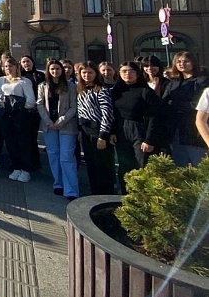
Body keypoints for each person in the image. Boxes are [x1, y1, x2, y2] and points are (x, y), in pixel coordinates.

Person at [112, 61, 169, 192]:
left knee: (141, 164)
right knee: (124, 165)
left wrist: (149, 139)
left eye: (131, 71)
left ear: (138, 74)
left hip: (140, 130)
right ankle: (126, 194)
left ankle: (143, 195)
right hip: (122, 129)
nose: (128, 74)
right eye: (124, 71)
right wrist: (112, 132)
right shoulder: (117, 91)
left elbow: (154, 117)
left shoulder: (145, 92)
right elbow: (114, 114)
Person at [37, 60, 79, 200]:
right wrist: (49, 122)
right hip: (49, 126)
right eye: (52, 69)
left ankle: (71, 190)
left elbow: (74, 106)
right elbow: (40, 105)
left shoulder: (70, 86)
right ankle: (58, 183)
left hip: (66, 126)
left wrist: (61, 121)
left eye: (57, 69)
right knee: (53, 155)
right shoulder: (43, 86)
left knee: (66, 157)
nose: (55, 71)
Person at [76, 61, 116, 195]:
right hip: (86, 132)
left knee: (103, 167)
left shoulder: (102, 90)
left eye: (90, 72)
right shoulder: (81, 90)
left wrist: (103, 136)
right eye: (84, 72)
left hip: (98, 132)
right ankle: (95, 194)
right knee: (91, 165)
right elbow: (81, 111)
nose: (87, 75)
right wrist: (80, 131)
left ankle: (106, 195)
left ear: (96, 73)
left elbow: (107, 114)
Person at [163, 51, 209, 166]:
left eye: (186, 61)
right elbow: (164, 103)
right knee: (179, 167)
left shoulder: (202, 81)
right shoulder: (173, 82)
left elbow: (197, 104)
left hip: (194, 129)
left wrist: (174, 104)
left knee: (199, 165)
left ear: (193, 63)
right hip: (175, 129)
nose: (182, 64)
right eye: (179, 61)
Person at [0, 57, 37, 183]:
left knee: (22, 142)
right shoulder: (2, 80)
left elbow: (31, 101)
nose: (8, 69)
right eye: (6, 66)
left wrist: (17, 104)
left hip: (20, 115)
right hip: (6, 114)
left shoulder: (24, 81)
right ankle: (16, 166)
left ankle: (25, 169)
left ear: (17, 67)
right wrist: (2, 103)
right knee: (10, 142)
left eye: (11, 66)